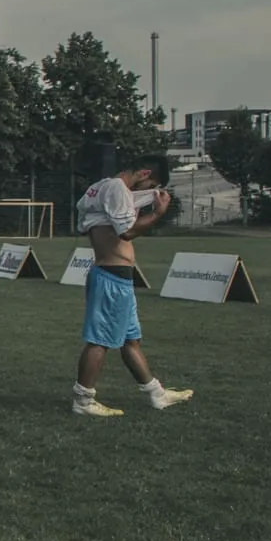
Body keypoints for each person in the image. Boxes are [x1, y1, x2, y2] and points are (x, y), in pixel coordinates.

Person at [72, 165, 193, 417]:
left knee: (130, 341)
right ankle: (83, 400)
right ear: (145, 173)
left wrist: (137, 203)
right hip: (111, 278)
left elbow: (86, 220)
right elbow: (127, 232)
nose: (150, 190)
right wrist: (158, 212)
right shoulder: (116, 188)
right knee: (99, 341)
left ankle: (156, 393)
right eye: (151, 186)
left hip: (115, 277)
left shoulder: (101, 188)